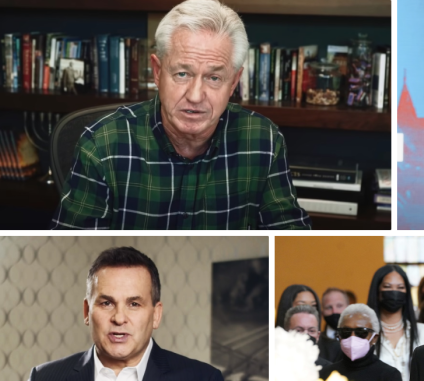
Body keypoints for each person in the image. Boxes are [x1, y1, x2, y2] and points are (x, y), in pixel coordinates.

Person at [51, 0, 310, 230]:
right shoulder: (101, 144)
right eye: (182, 74)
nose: (196, 96)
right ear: (157, 72)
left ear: (234, 83)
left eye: (214, 77)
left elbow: (291, 235)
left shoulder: (264, 141)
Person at [0, 246, 238, 381]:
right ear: (87, 311)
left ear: (156, 315)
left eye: (134, 304)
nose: (119, 318)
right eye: (106, 303)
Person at [319, 304, 403, 381]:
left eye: (361, 333)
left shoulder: (389, 376)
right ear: (339, 336)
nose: (353, 337)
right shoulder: (327, 373)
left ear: (374, 337)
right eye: (346, 332)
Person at [367, 265, 424, 381]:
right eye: (387, 286)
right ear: (377, 291)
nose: (394, 292)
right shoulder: (366, 335)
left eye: (400, 287)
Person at [318, 287, 350, 363]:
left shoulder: (361, 337)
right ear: (322, 313)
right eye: (329, 307)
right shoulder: (317, 341)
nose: (334, 311)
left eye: (339, 306)